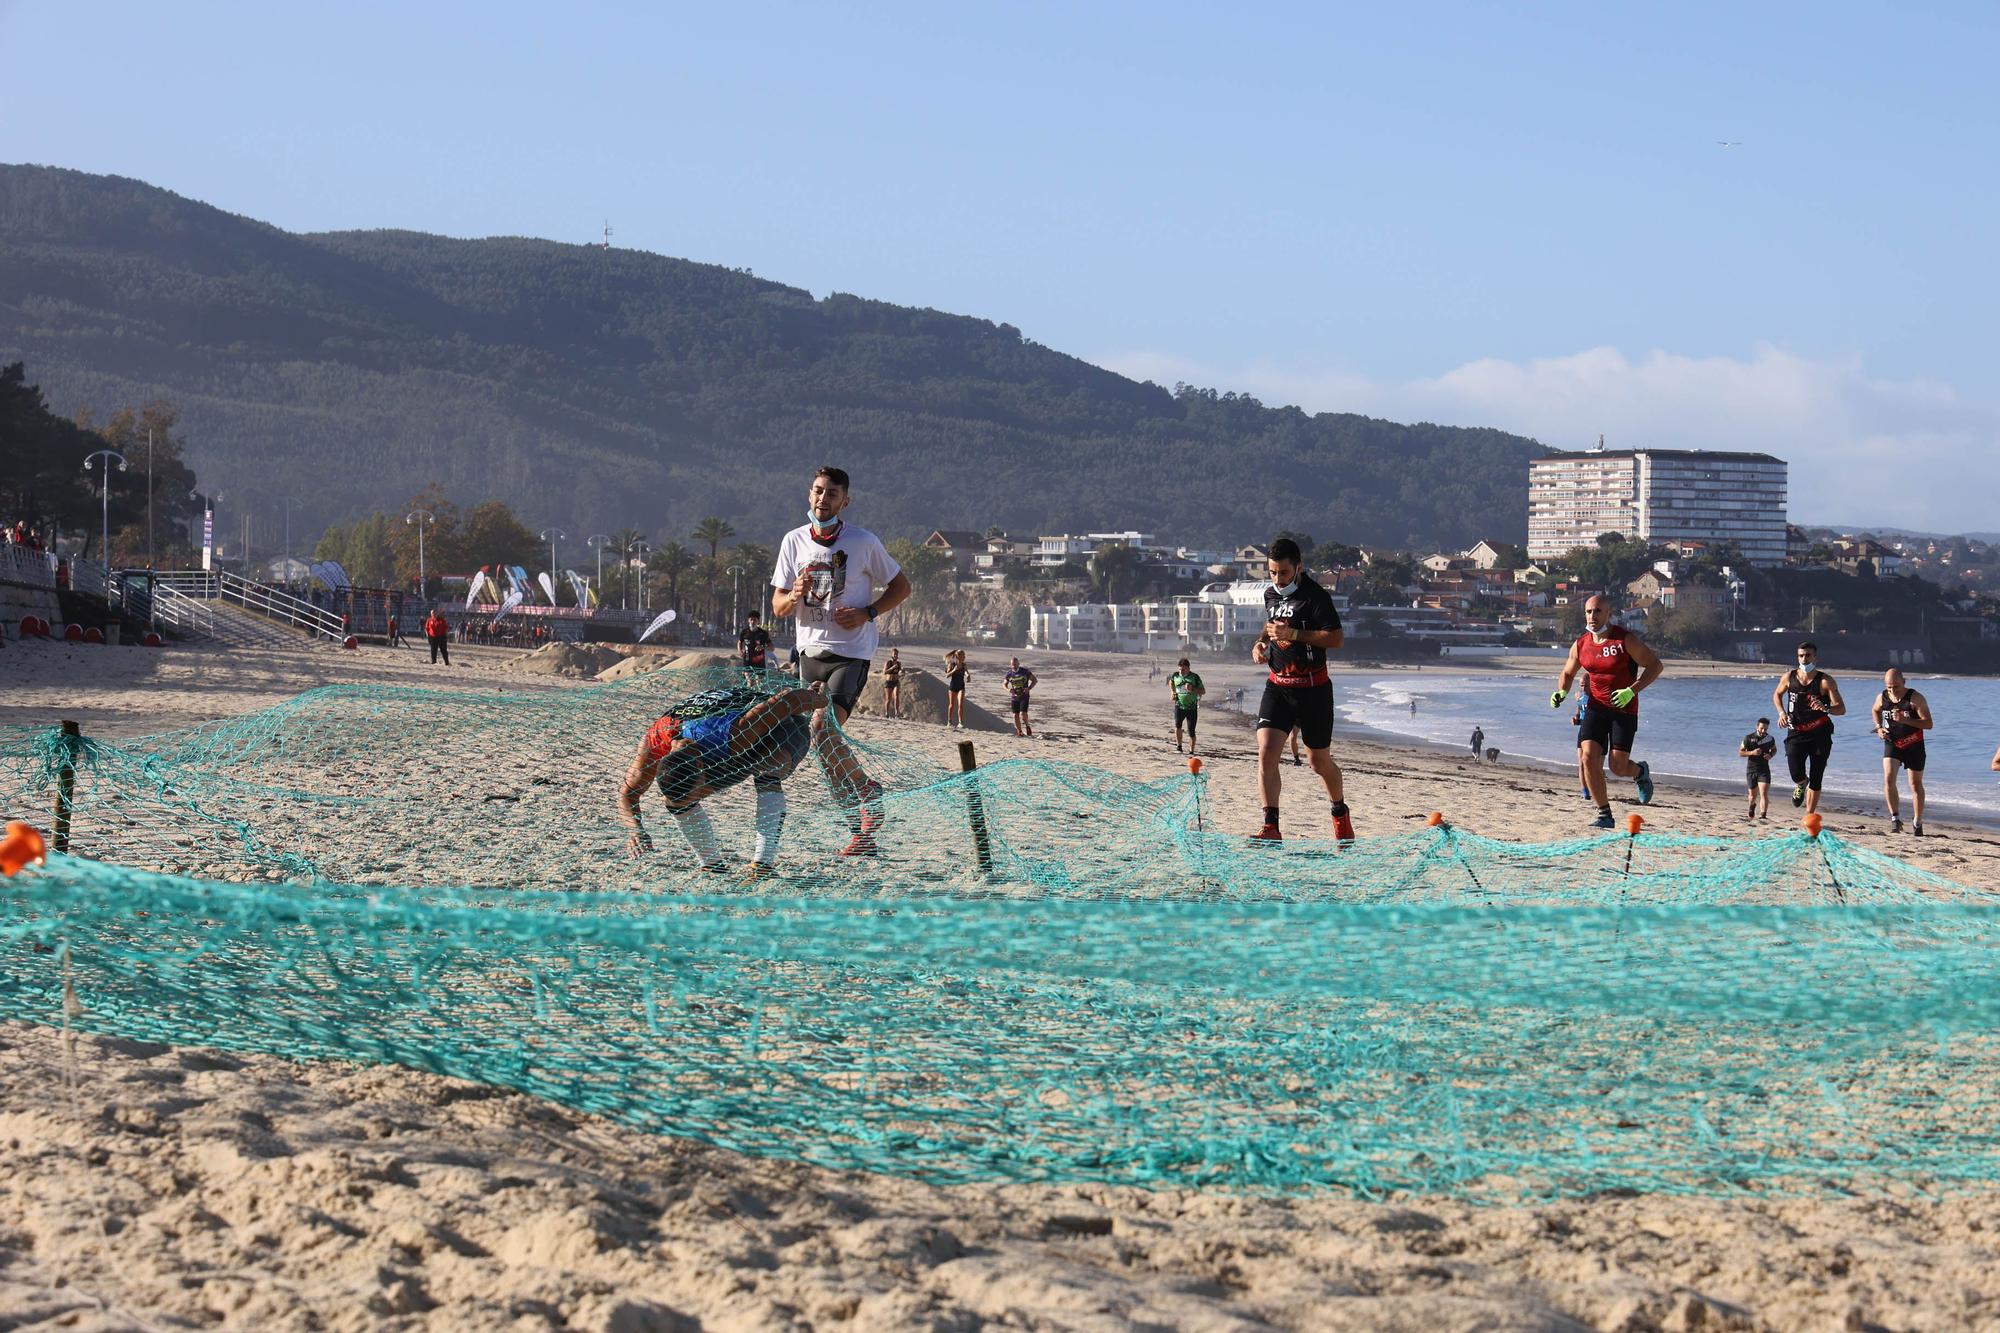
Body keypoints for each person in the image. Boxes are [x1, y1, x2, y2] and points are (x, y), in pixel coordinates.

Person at [770, 465, 910, 855]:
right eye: (818, 491)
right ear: (808, 495)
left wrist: (868, 612)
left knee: (822, 728)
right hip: (807, 653)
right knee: (823, 745)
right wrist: (794, 594)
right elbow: (779, 607)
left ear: (844, 502)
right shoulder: (793, 541)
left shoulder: (863, 542)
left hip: (850, 654)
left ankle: (868, 792)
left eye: (832, 494)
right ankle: (860, 828)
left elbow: (901, 586)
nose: (822, 499)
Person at [618, 684, 839, 883]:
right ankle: (713, 866)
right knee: (675, 801)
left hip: (783, 727)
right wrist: (636, 830)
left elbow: (787, 700)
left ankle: (763, 865)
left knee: (769, 764)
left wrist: (819, 699)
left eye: (701, 791)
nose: (704, 795)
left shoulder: (737, 734)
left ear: (704, 769)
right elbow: (628, 793)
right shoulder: (655, 740)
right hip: (718, 735)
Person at [1251, 537, 1354, 843]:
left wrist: (1295, 633)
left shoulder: (1315, 596)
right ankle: (1271, 826)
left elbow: (1336, 638)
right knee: (1266, 753)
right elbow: (1271, 625)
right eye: (1272, 572)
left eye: (1283, 572)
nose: (1277, 579)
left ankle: (1339, 813)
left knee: (1318, 762)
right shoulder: (1270, 594)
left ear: (1298, 568)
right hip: (1278, 687)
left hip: (1314, 690)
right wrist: (1261, 643)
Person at [1550, 595, 1662, 829]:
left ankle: (1640, 772)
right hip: (1596, 708)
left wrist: (1632, 691)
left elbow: (1655, 665)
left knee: (1617, 766)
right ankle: (1604, 814)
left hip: (1624, 709)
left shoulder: (1624, 640)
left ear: (1608, 613)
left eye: (1598, 611)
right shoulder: (1581, 644)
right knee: (1588, 757)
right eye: (1589, 612)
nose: (1592, 616)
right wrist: (1561, 692)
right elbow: (1568, 673)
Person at [1772, 640, 1845, 815]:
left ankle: (1809, 815)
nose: (1804, 659)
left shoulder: (1825, 681)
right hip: (1796, 732)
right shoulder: (1788, 677)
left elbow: (1841, 709)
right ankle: (1801, 783)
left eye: (1808, 655)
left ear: (1815, 658)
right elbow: (1777, 694)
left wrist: (1825, 708)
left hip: (1820, 733)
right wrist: (1781, 713)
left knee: (1817, 776)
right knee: (1795, 771)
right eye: (1801, 655)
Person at [1871, 667, 1934, 834]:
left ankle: (1917, 821)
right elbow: (1875, 710)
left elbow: (1928, 724)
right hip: (1893, 743)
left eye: (1896, 687)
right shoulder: (1882, 697)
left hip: (1914, 745)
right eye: (1889, 687)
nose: (1892, 690)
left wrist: (1906, 720)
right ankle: (1895, 819)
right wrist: (1878, 728)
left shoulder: (1915, 698)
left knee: (1915, 784)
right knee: (1888, 778)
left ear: (1904, 682)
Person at [1738, 718, 1777, 821]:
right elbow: (1740, 753)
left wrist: (1770, 755)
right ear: (1757, 727)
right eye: (1762, 728)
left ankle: (1763, 816)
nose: (1763, 731)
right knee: (1752, 795)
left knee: (1764, 793)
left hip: (1764, 770)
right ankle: (1752, 805)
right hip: (1751, 769)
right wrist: (1752, 753)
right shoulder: (1748, 738)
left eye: (1766, 729)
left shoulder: (1770, 738)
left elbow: (1774, 749)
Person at [1168, 657, 1205, 754]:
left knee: (1191, 731)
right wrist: (1173, 692)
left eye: (1183, 670)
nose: (1181, 672)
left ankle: (1191, 751)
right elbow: (1171, 682)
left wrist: (1192, 689)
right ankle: (1179, 746)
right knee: (1177, 725)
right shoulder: (1175, 676)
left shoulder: (1194, 677)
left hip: (1192, 708)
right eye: (1179, 669)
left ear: (1188, 668)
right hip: (1179, 706)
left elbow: (1203, 691)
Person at [1003, 656, 1038, 737]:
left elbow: (1035, 680)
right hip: (1014, 697)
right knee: (1015, 715)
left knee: (1022, 713)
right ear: (1010, 665)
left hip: (1024, 696)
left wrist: (1029, 688)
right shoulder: (1009, 674)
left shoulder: (1025, 671)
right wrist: (1008, 690)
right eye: (1013, 664)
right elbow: (1004, 684)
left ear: (1018, 664)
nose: (1014, 666)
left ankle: (1027, 726)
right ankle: (1020, 731)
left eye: (1016, 664)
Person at [737, 611, 772, 684]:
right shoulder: (744, 632)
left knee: (759, 684)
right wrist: (740, 651)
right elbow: (740, 642)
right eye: (751, 619)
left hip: (759, 662)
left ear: (758, 621)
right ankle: (748, 695)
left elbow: (772, 647)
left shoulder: (763, 633)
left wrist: (762, 647)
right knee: (750, 683)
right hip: (747, 661)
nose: (752, 622)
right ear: (748, 620)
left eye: (755, 620)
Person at [941, 649, 970, 730]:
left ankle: (960, 722)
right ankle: (949, 721)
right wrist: (954, 670)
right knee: (951, 705)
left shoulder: (964, 665)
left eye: (964, 655)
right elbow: (947, 675)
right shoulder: (952, 664)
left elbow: (966, 672)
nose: (964, 657)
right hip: (953, 687)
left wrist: (968, 676)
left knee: (960, 704)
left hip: (961, 686)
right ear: (958, 656)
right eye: (963, 655)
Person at [881, 647, 904, 719]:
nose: (895, 656)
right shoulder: (888, 662)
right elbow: (884, 672)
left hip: (896, 682)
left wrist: (902, 671)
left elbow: (900, 673)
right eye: (894, 654)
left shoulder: (899, 663)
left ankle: (897, 713)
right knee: (889, 699)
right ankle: (887, 713)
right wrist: (892, 668)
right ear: (891, 655)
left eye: (896, 654)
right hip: (889, 682)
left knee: (896, 696)